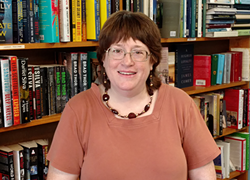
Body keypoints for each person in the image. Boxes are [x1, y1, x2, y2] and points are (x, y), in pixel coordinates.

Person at [47, 10, 220, 180]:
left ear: (152, 61)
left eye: (138, 52)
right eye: (117, 51)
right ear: (103, 59)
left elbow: (204, 175)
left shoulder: (180, 104)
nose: (127, 62)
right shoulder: (78, 110)